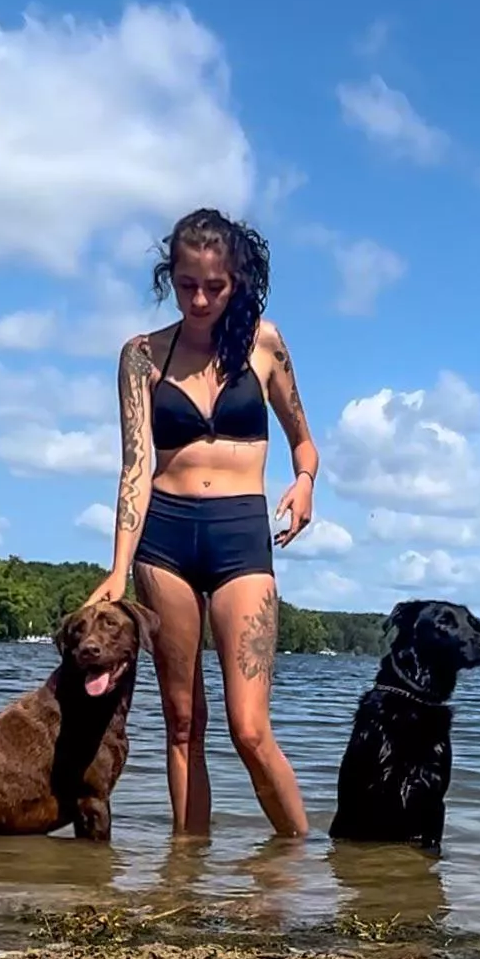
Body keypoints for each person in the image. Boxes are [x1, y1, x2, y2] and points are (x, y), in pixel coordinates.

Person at [89, 208, 315, 839]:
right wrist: (115, 572)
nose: (199, 298)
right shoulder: (141, 356)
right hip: (165, 540)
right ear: (172, 275)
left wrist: (304, 485)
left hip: (242, 534)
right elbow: (135, 468)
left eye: (213, 286)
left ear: (235, 281)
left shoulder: (264, 344)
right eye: (187, 283)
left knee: (249, 728)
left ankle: (300, 864)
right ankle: (186, 876)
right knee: (183, 722)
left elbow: (304, 443)